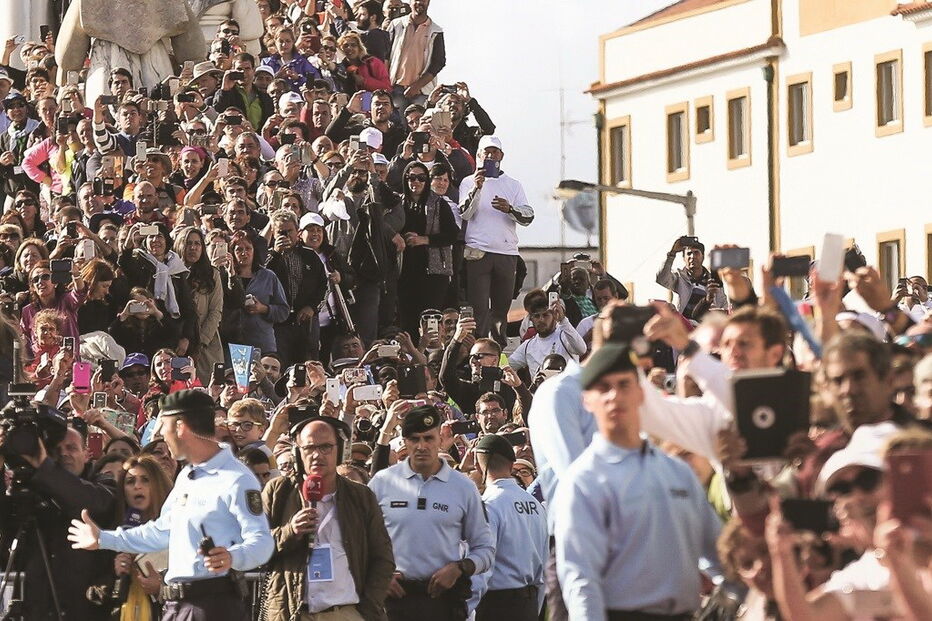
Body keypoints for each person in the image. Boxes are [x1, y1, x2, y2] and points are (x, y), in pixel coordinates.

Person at [68, 389, 275, 620]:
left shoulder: (236, 478)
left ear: (180, 427)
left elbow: (262, 543)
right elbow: (162, 531)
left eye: (163, 427)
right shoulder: (188, 476)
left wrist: (232, 556)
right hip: (176, 606)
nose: (162, 436)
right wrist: (103, 539)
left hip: (214, 606)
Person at [553, 343, 723, 619]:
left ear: (642, 393)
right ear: (587, 399)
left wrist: (740, 595)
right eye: (603, 387)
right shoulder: (584, 481)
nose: (614, 396)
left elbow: (717, 551)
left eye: (624, 384)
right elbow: (581, 579)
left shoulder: (676, 471)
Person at [262, 415, 396, 620]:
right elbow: (255, 547)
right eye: (309, 448)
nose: (317, 455)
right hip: (294, 613)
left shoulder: (360, 496)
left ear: (339, 450)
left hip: (346, 612)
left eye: (325, 447)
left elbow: (383, 558)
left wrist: (368, 607)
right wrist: (290, 531)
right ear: (298, 452)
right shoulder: (278, 491)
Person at [369, 405, 494, 620]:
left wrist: (459, 568)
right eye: (414, 439)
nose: (422, 446)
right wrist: (377, 576)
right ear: (404, 441)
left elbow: (486, 549)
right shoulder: (382, 482)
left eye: (428, 438)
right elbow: (357, 540)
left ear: (440, 438)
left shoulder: (463, 487)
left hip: (442, 601)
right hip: (392, 602)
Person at [0, 422, 116, 621]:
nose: (63, 453)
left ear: (87, 453)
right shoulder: (29, 489)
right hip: (33, 609)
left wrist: (44, 465)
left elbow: (89, 502)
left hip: (84, 610)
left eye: (71, 448)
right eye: (56, 449)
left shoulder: (104, 484)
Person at [459, 136, 533, 345]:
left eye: (495, 152)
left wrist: (509, 209)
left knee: (501, 311)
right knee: (479, 309)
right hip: (478, 251)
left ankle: (498, 354)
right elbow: (464, 213)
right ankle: (478, 353)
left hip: (506, 252)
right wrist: (477, 188)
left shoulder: (513, 184)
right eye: (486, 152)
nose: (490, 156)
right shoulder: (468, 181)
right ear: (479, 155)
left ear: (501, 156)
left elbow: (528, 216)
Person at [470, 434, 548, 621]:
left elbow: (482, 567)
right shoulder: (535, 504)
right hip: (528, 604)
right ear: (512, 465)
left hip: (496, 606)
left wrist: (467, 611)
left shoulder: (489, 505)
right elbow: (543, 563)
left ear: (478, 464)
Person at [385, 0, 445, 110]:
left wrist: (416, 86)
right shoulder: (396, 25)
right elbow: (385, 54)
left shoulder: (435, 31)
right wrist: (385, 83)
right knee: (398, 123)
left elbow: (438, 62)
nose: (419, 3)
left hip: (421, 91)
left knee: (419, 124)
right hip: (396, 87)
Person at [657, 236, 727, 319]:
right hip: (683, 326)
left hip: (705, 326)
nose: (692, 256)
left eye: (696, 253)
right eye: (689, 254)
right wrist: (672, 253)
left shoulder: (713, 281)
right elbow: (662, 278)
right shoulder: (679, 278)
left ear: (703, 256)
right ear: (684, 258)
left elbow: (723, 305)